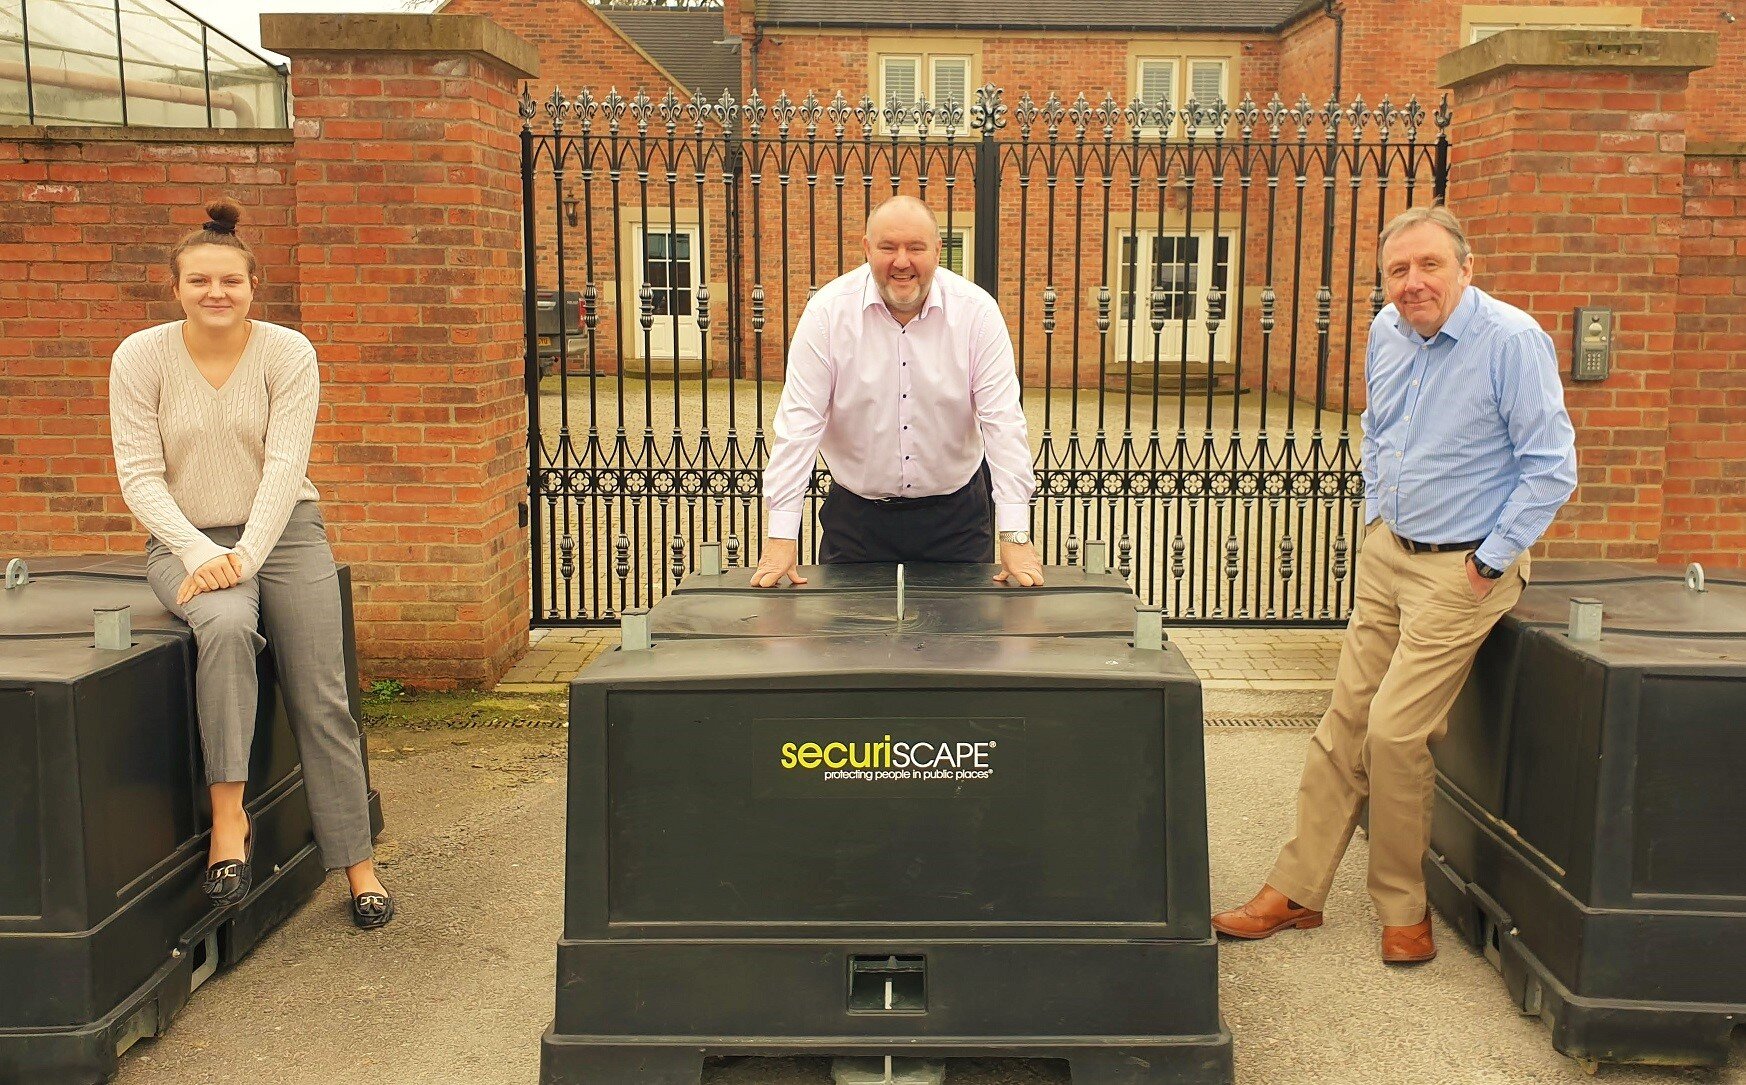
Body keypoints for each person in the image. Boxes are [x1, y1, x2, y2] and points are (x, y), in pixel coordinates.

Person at [1212, 205, 1577, 963]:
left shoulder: (1511, 342)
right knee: (1343, 719)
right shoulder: (1387, 330)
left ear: (1466, 268)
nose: (1412, 284)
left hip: (1464, 567)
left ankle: (1403, 909)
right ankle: (1297, 890)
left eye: (1429, 266)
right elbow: (1378, 428)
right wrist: (1379, 517)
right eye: (1398, 271)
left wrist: (1487, 562)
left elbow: (1551, 468)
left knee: (1394, 730)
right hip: (1390, 554)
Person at [108, 198, 394, 930]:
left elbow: (282, 468)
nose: (215, 293)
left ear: (251, 285)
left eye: (229, 281)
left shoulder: (288, 353)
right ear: (174, 287)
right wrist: (205, 554)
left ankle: (356, 863)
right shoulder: (139, 357)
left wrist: (245, 556)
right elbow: (140, 477)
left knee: (319, 689)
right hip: (183, 539)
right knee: (227, 629)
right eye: (199, 281)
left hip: (286, 530)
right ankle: (228, 823)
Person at [752, 195, 1043, 588]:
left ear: (939, 251)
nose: (902, 262)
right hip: (855, 522)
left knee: (962, 645)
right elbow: (799, 425)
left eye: (916, 248)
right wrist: (781, 534)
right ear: (867, 249)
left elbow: (1004, 423)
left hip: (955, 520)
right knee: (846, 647)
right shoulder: (827, 314)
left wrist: (1014, 533)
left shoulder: (978, 313)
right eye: (888, 247)